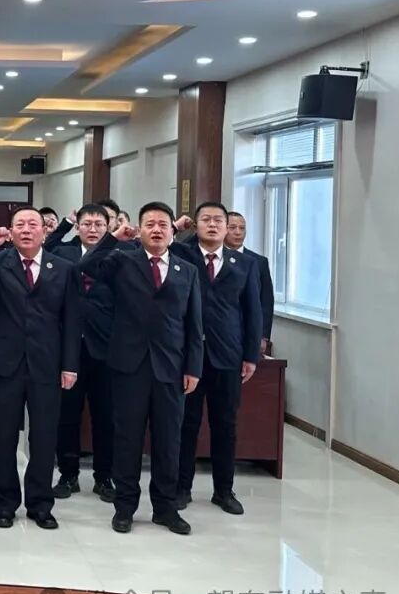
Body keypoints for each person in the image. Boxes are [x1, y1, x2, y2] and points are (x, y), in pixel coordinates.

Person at [79, 201, 203, 536]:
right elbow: (86, 266)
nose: (157, 230)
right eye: (150, 224)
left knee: (168, 440)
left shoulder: (187, 270)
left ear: (173, 230)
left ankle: (165, 507)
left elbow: (194, 324)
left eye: (163, 224)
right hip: (128, 365)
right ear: (140, 229)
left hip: (171, 368)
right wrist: (113, 238)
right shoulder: (123, 260)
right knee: (127, 439)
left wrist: (193, 367)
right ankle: (125, 507)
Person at [0, 208, 80, 530]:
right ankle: (5, 504)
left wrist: (70, 365)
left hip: (48, 364)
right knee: (4, 438)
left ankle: (40, 504)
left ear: (45, 231)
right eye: (20, 225)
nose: (26, 230)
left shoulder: (63, 268)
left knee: (44, 437)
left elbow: (72, 320)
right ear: (10, 232)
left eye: (33, 224)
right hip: (6, 363)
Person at [174, 202, 262, 516]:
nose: (212, 225)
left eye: (218, 221)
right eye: (206, 220)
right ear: (196, 225)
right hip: (189, 357)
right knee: (186, 424)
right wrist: (178, 228)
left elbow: (253, 311)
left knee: (225, 425)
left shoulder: (245, 264)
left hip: (227, 355)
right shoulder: (182, 256)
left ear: (226, 227)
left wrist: (251, 355)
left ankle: (224, 490)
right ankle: (181, 487)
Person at [52, 203, 116, 502]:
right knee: (67, 416)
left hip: (106, 348)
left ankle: (104, 476)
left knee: (106, 416)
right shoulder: (62, 254)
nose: (93, 229)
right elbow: (46, 244)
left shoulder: (120, 255)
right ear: (77, 226)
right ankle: (68, 474)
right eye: (87, 224)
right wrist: (63, 224)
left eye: (99, 224)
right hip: (68, 348)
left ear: (108, 227)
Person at [225, 211, 273, 354]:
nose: (238, 232)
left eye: (242, 228)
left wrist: (263, 335)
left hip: (249, 329)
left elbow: (266, 301)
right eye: (232, 228)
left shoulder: (259, 262)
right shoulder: (213, 258)